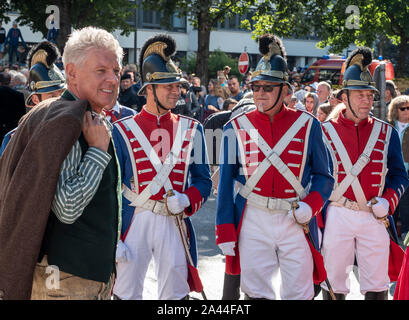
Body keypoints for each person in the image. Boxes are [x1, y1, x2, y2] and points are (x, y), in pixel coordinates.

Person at [0, 27, 123, 300]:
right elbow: (67, 207)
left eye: (116, 70)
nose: (113, 79)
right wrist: (99, 151)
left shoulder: (70, 113)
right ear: (72, 73)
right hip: (67, 282)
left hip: (77, 277)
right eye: (101, 70)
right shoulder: (67, 119)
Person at [215, 33, 334, 300]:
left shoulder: (308, 125)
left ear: (286, 91)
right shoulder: (236, 126)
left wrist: (310, 206)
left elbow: (325, 177)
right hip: (252, 216)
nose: (260, 93)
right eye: (256, 87)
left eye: (268, 88)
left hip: (294, 217)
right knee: (256, 292)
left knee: (299, 292)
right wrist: (224, 227)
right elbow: (225, 183)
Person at [112, 33, 212, 300]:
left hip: (173, 219)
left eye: (177, 86)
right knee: (126, 292)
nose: (176, 92)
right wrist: (112, 236)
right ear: (149, 89)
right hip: (134, 220)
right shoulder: (121, 131)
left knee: (175, 295)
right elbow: (109, 189)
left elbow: (204, 181)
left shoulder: (193, 129)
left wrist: (186, 198)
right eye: (168, 86)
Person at [320, 47, 409, 300]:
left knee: (377, 284)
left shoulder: (386, 132)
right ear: (344, 97)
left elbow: (399, 176)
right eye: (360, 94)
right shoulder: (324, 132)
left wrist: (387, 201)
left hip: (374, 213)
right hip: (337, 211)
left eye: (370, 95)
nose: (367, 101)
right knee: (334, 283)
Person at [0, 41, 65, 154]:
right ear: (35, 99)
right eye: (52, 96)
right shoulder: (14, 138)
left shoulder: (73, 129)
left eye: (61, 94)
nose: (59, 100)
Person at [387, 95, 409, 242]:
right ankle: (390, 233)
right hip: (391, 170)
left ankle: (406, 233)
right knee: (391, 200)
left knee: (406, 203)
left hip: (407, 170)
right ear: (396, 110)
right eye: (403, 108)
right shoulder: (389, 126)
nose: (407, 111)